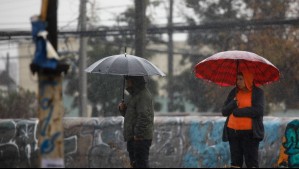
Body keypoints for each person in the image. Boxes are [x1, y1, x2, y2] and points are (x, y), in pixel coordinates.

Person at [222, 71, 265, 168]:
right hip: (233, 132)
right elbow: (224, 111)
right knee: (235, 163)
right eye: (237, 79)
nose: (238, 82)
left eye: (241, 79)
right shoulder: (234, 92)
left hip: (249, 134)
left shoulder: (257, 93)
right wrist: (232, 104)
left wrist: (239, 112)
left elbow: (258, 110)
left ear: (248, 79)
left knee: (251, 162)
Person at [118, 76, 154, 168]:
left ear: (134, 81)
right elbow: (131, 116)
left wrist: (138, 135)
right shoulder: (134, 95)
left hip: (140, 138)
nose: (127, 83)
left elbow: (144, 116)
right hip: (134, 137)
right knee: (135, 164)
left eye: (128, 80)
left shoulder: (143, 95)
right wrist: (123, 109)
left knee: (141, 164)